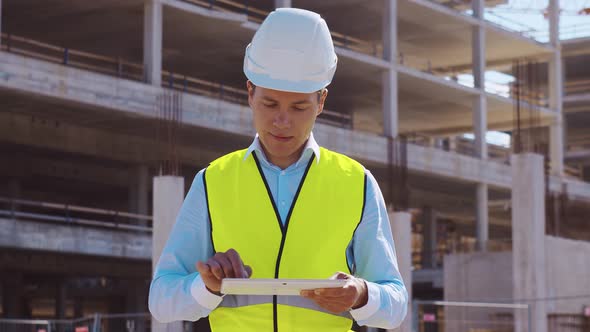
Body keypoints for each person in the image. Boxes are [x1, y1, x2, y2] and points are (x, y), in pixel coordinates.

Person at [148, 7, 408, 331]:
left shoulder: (357, 184)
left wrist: (361, 294)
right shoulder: (212, 182)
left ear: (321, 102)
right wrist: (207, 287)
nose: (282, 121)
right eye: (270, 104)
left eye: (299, 107)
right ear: (249, 93)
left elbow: (396, 303)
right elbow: (161, 298)